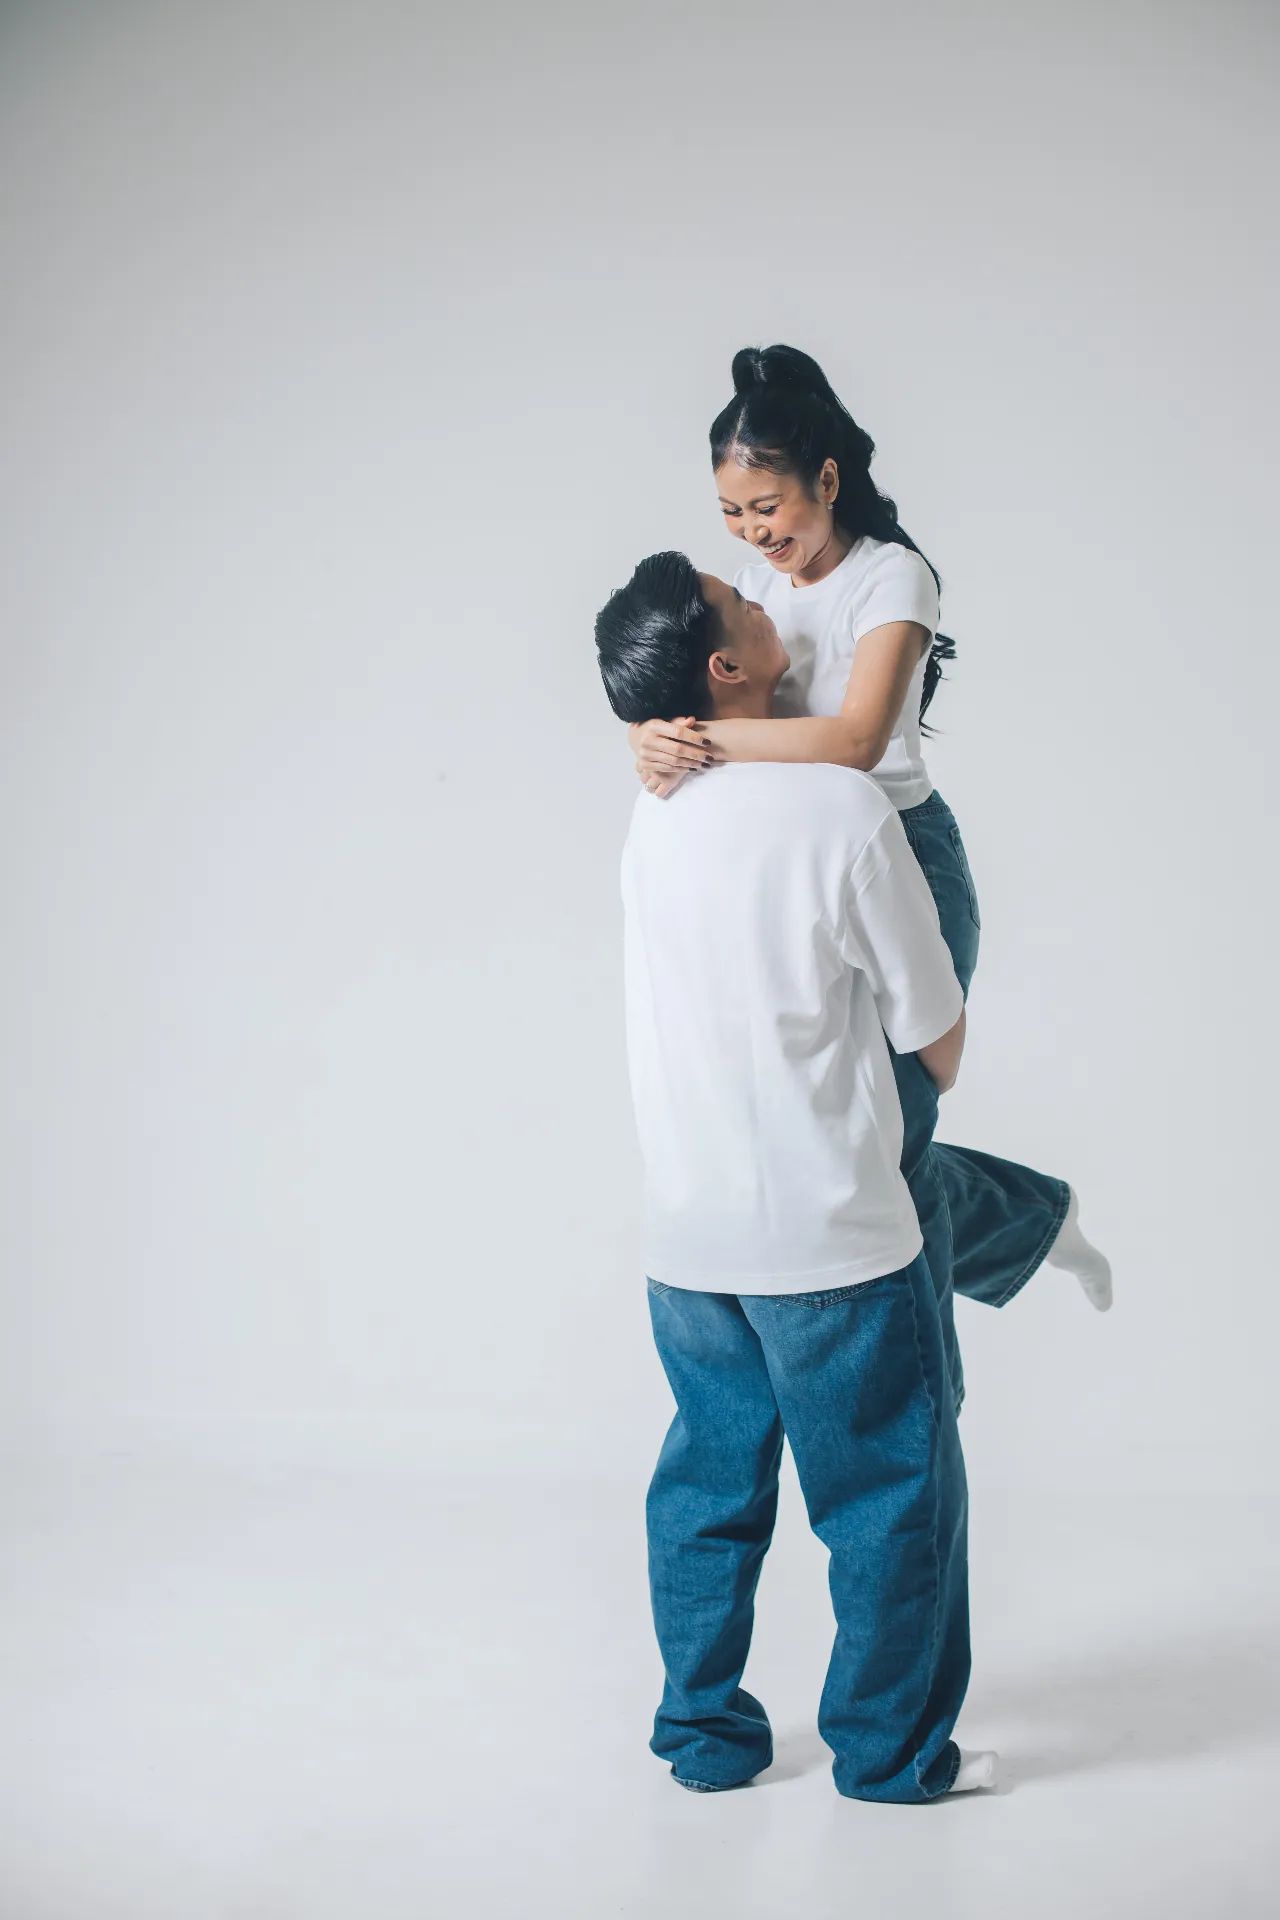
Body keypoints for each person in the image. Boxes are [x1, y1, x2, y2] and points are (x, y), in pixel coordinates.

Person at [626, 346, 1111, 1404]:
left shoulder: (893, 577)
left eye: (768, 506)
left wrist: (702, 740)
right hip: (793, 862)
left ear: (828, 479)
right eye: (730, 513)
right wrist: (653, 737)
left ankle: (925, 1395)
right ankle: (1030, 1221)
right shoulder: (757, 586)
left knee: (887, 1149)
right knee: (845, 1144)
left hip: (901, 856)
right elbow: (704, 685)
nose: (753, 533)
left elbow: (854, 742)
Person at [595, 552, 997, 1800]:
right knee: (886, 1501)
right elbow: (938, 1040)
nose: (767, 595)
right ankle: (888, 1757)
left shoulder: (653, 807)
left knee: (705, 1494)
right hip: (830, 1241)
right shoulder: (842, 811)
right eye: (741, 600)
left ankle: (702, 1738)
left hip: (686, 1240)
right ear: (727, 667)